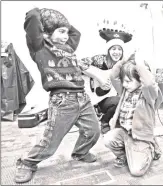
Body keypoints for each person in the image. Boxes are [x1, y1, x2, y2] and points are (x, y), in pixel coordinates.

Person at [14, 8, 100, 183]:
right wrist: (45, 15)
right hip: (62, 100)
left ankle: (80, 152)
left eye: (66, 32)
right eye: (61, 32)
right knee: (50, 143)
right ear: (46, 33)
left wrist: (61, 22)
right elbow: (32, 20)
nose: (66, 35)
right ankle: (27, 163)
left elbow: (77, 33)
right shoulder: (39, 49)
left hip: (82, 98)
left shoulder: (68, 47)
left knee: (93, 131)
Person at [103, 51, 163, 176]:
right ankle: (125, 155)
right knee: (108, 139)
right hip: (125, 132)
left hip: (140, 137)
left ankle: (151, 149)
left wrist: (139, 64)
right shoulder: (125, 90)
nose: (124, 84)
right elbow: (114, 76)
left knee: (136, 171)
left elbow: (149, 83)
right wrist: (124, 60)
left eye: (128, 81)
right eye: (123, 81)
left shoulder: (148, 95)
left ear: (140, 80)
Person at [81, 19, 133, 135]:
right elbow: (79, 64)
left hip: (112, 96)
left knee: (127, 100)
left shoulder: (123, 65)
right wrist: (100, 79)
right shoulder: (99, 60)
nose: (116, 52)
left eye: (119, 49)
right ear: (108, 50)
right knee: (119, 101)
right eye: (113, 49)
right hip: (99, 98)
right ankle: (104, 121)